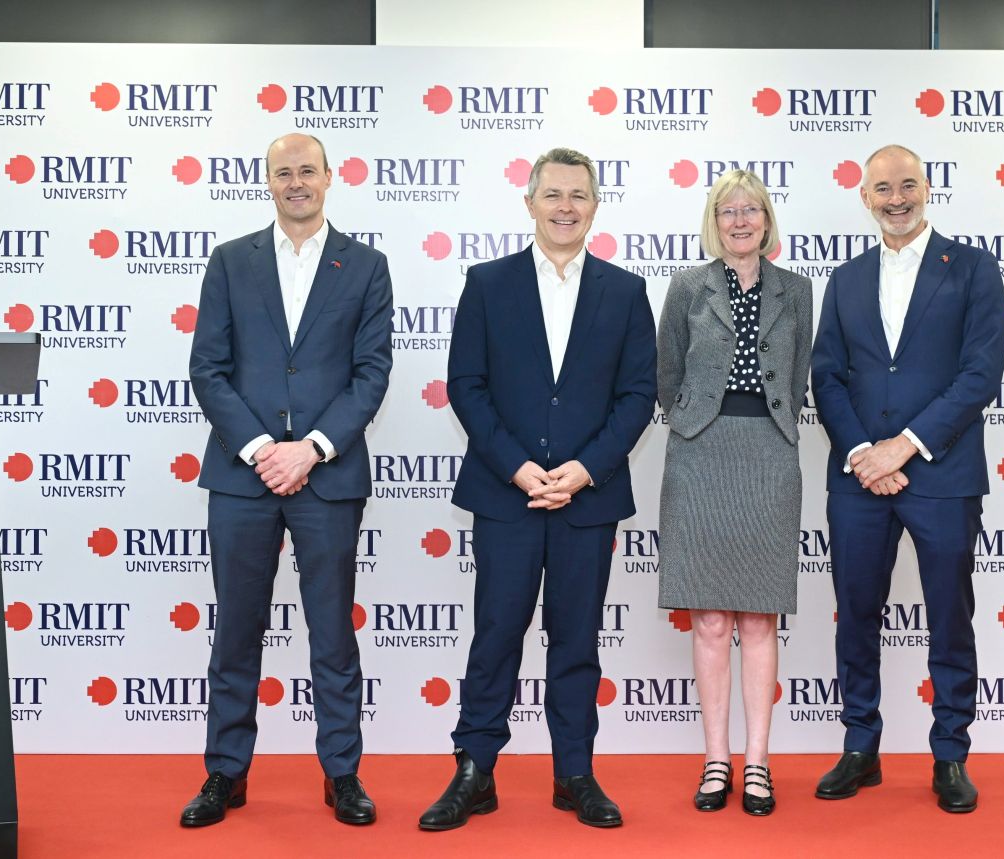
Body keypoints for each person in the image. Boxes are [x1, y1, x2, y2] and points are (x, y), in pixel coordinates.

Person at [418, 147, 657, 831]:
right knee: (495, 633)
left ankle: (574, 772)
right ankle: (475, 769)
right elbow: (466, 384)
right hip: (506, 495)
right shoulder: (488, 283)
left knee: (577, 640)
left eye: (578, 195)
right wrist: (516, 466)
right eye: (552, 194)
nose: (565, 207)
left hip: (588, 499)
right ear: (529, 203)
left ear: (595, 206)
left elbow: (639, 394)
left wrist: (586, 469)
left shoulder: (625, 291)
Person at [182, 133, 393, 827]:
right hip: (241, 478)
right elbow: (208, 368)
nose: (296, 182)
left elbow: (372, 373)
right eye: (283, 173)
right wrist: (261, 450)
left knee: (333, 632)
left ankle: (342, 773)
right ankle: (225, 771)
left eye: (307, 170)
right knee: (236, 631)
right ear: (267, 182)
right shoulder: (229, 260)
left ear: (330, 177)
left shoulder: (367, 266)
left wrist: (311, 450)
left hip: (327, 477)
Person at [810, 144, 1004, 813]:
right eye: (883, 189)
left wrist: (903, 447)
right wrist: (864, 452)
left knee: (950, 617)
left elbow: (980, 374)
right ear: (864, 197)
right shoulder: (845, 278)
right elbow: (826, 376)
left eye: (907, 186)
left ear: (927, 188)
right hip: (859, 478)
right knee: (855, 614)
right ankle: (860, 746)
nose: (896, 199)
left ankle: (950, 753)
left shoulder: (974, 268)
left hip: (943, 474)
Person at [655, 170, 812, 816]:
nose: (740, 220)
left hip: (770, 454)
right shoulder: (686, 287)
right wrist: (696, 420)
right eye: (728, 211)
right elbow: (667, 372)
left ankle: (758, 762)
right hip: (699, 454)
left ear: (767, 220)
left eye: (751, 210)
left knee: (759, 617)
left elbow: (797, 377)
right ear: (713, 222)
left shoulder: (797, 290)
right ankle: (716, 759)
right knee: (712, 620)